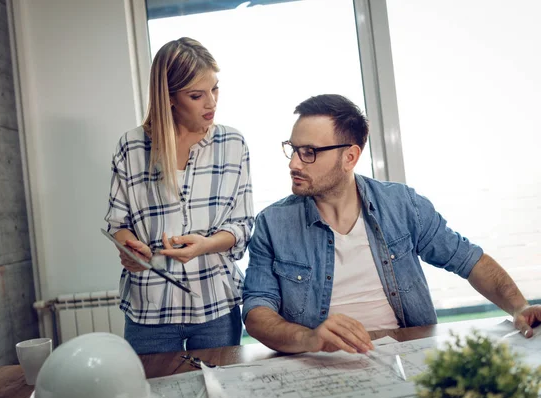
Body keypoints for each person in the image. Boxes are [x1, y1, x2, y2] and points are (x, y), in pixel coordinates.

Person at [242, 94, 541, 355]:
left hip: (405, 356)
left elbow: (468, 260)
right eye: (292, 149)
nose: (294, 163)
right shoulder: (273, 223)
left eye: (309, 152)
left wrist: (519, 306)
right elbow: (257, 312)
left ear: (350, 157)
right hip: (316, 364)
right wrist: (309, 338)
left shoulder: (402, 204)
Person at [104, 37, 254, 354]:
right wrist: (130, 247)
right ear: (169, 98)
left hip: (216, 303)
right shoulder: (131, 147)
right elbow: (118, 222)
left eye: (215, 89)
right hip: (150, 308)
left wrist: (206, 244)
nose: (211, 103)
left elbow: (242, 224)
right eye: (197, 95)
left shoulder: (233, 144)